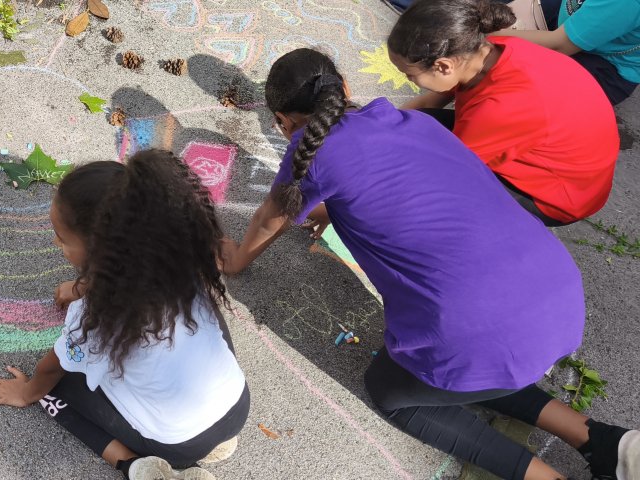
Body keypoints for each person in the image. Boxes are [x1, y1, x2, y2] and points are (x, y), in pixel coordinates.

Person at [220, 47, 638, 480]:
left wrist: (235, 259)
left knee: (394, 390)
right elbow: (407, 193)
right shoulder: (417, 122)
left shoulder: (315, 155)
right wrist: (337, 209)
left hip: (476, 333)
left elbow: (270, 219)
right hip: (557, 296)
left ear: (283, 122)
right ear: (344, 86)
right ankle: (603, 441)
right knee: (476, 364)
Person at [0, 151, 250, 480]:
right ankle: (217, 444)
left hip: (178, 444)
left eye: (62, 238)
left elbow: (53, 367)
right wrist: (83, 285)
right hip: (236, 405)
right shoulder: (183, 260)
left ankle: (135, 465)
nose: (56, 242)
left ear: (101, 252)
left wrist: (26, 391)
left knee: (54, 387)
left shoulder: (99, 314)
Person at [389, 0, 618, 227]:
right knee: (413, 126)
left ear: (443, 66)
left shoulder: (498, 109)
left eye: (409, 74)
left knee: (424, 195)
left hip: (553, 199)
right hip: (555, 162)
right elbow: (429, 102)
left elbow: (448, 173)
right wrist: (379, 127)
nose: (408, 79)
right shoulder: (485, 50)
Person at [496, 0, 640, 105]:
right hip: (572, 16)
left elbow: (558, 45)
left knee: (506, 91)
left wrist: (489, 35)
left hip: (605, 67)